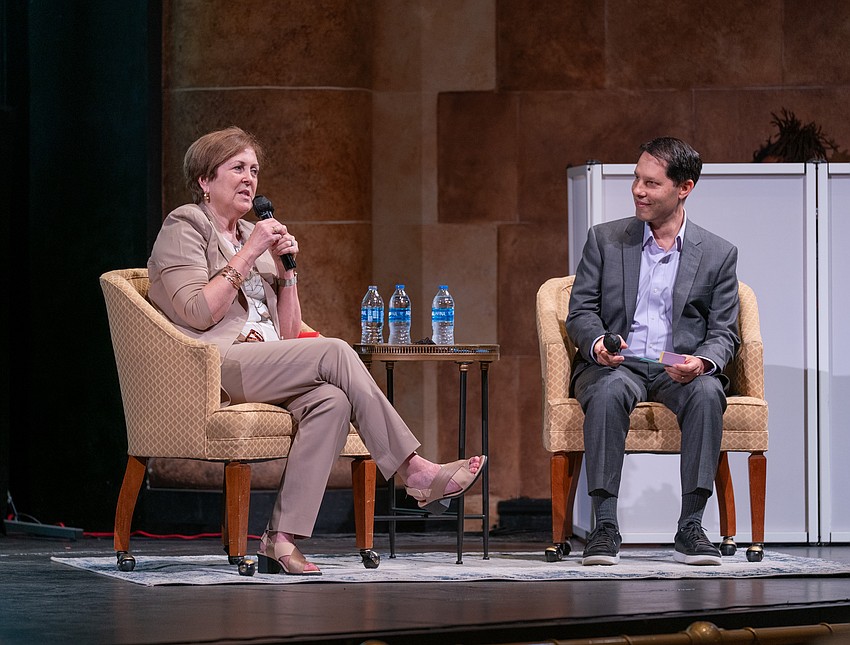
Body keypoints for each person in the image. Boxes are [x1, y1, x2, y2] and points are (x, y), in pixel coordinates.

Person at [147, 126, 485, 576]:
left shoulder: (254, 233)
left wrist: (288, 275)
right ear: (206, 181)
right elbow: (195, 311)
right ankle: (416, 472)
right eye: (237, 169)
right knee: (336, 352)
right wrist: (250, 252)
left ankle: (280, 539)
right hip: (214, 364)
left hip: (264, 360)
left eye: (254, 170)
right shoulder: (185, 224)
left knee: (333, 399)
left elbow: (288, 335)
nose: (250, 179)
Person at [566, 137, 740, 567]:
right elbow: (580, 312)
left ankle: (691, 527)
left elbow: (724, 332)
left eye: (651, 183)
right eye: (636, 179)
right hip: (619, 362)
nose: (638, 191)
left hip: (675, 368)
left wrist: (702, 361)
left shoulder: (718, 254)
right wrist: (597, 343)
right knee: (606, 393)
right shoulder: (605, 240)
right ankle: (604, 526)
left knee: (706, 394)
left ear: (685, 188)